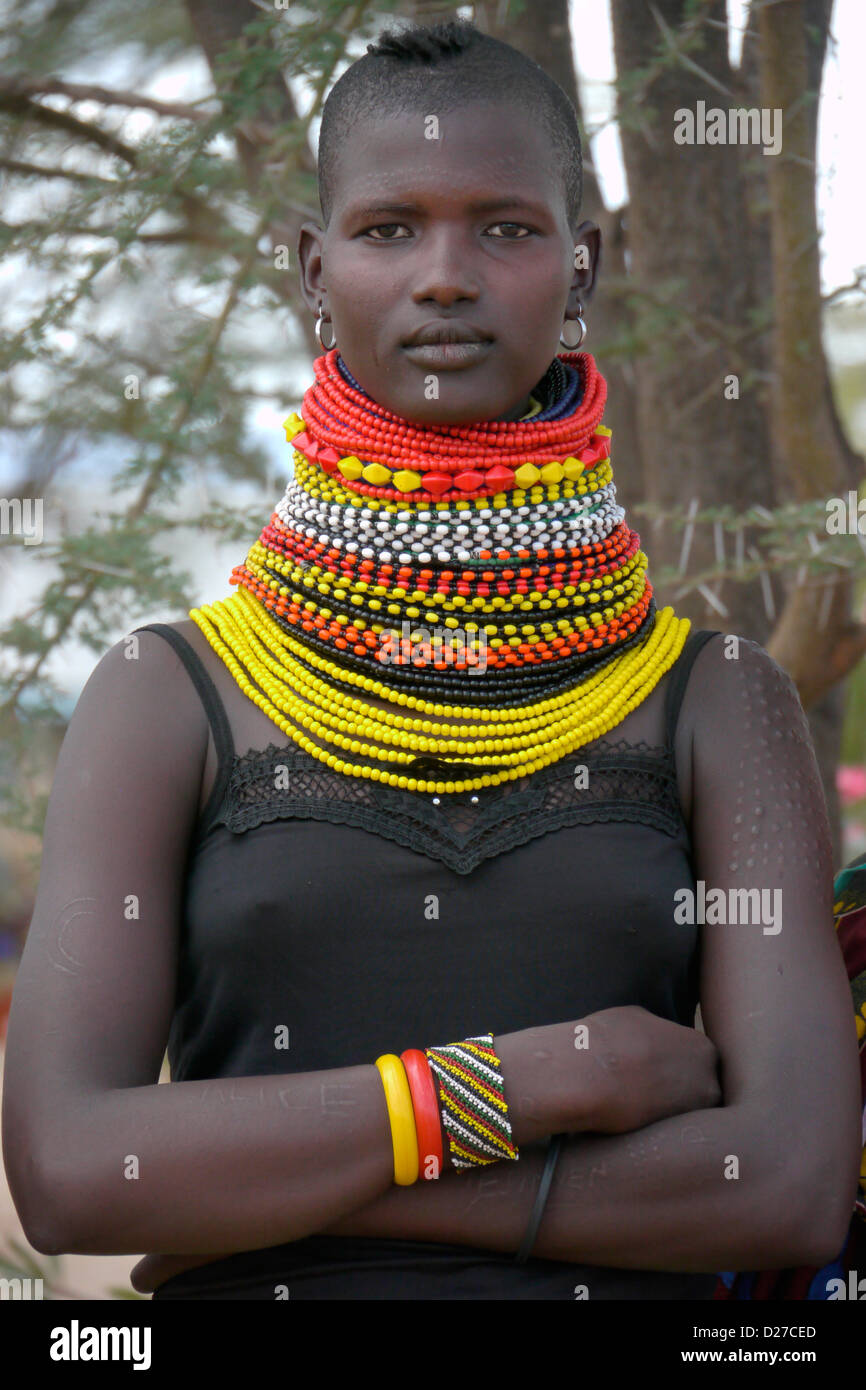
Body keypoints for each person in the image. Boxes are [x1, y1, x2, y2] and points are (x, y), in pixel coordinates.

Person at [2, 18, 860, 1302]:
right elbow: (72, 1169)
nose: (445, 276)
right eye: (388, 227)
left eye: (505, 229)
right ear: (310, 265)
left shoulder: (713, 702)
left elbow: (787, 1182)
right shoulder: (168, 691)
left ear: (584, 267)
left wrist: (329, 1199)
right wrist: (543, 1079)